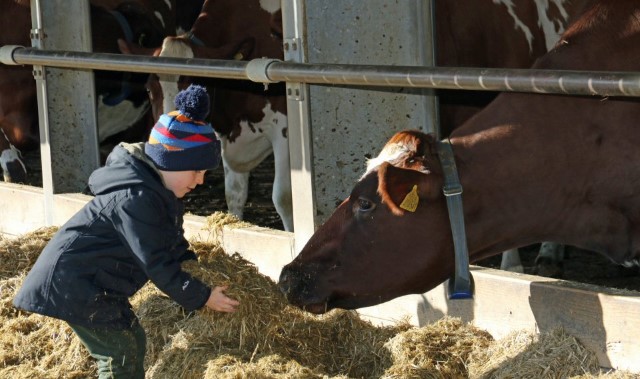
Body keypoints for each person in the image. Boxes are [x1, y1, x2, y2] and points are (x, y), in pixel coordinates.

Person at [13, 84, 240, 378]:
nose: (199, 181)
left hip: (97, 284)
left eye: (205, 173)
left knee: (132, 342)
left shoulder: (159, 194)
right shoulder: (137, 199)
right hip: (74, 283)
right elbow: (155, 262)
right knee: (119, 351)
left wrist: (192, 266)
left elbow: (171, 242)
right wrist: (201, 295)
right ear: (168, 162)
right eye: (196, 171)